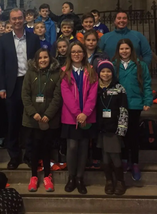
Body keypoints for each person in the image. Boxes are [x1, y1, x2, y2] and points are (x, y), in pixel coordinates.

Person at [0, 8, 41, 170]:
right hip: (12, 85)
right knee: (12, 121)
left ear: (24, 19)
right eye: (13, 19)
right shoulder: (4, 40)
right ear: (10, 21)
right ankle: (14, 156)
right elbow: (0, 66)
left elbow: (39, 62)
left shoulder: (33, 38)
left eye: (19, 18)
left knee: (29, 122)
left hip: (29, 84)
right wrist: (1, 87)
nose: (17, 21)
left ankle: (29, 155)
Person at [22, 48, 62, 192]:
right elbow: (25, 95)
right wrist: (33, 113)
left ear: (50, 59)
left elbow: (58, 97)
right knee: (33, 148)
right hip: (32, 119)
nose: (43, 60)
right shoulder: (30, 73)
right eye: (40, 58)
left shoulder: (57, 74)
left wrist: (48, 115)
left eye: (45, 57)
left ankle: (47, 176)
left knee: (46, 148)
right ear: (36, 60)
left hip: (49, 119)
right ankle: (33, 176)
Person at [112, 38, 152, 181]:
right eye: (122, 49)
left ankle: (134, 163)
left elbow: (146, 83)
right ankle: (123, 160)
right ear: (118, 50)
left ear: (131, 50)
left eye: (127, 49)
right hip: (118, 105)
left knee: (133, 136)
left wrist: (148, 100)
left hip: (135, 104)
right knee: (121, 134)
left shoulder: (140, 65)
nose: (124, 51)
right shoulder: (114, 65)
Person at [61, 41, 98, 195]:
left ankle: (80, 177)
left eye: (79, 51)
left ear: (84, 53)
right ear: (70, 54)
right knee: (72, 147)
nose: (76, 54)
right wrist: (77, 113)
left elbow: (93, 93)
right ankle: (71, 177)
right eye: (73, 52)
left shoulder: (91, 71)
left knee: (84, 147)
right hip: (71, 116)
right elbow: (67, 95)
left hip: (87, 116)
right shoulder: (64, 71)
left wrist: (86, 113)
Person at [96, 60, 128, 195]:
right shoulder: (95, 88)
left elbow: (123, 110)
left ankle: (120, 181)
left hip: (114, 128)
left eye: (108, 71)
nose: (105, 74)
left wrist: (121, 128)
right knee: (104, 157)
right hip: (100, 128)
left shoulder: (119, 88)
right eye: (103, 71)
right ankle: (109, 180)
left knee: (115, 155)